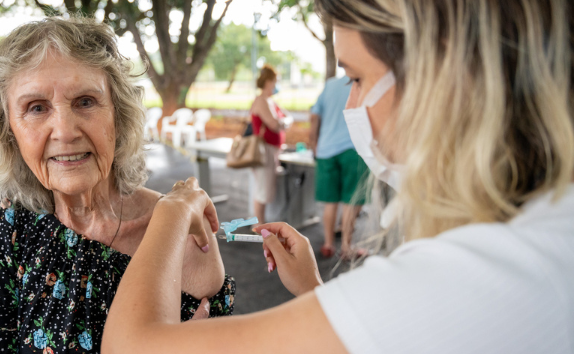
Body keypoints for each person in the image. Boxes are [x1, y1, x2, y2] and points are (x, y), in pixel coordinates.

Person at [102, 0, 574, 353]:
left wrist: (172, 209)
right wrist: (316, 292)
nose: (351, 106)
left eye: (357, 79)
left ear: (440, 78)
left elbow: (130, 345)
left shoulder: (460, 282)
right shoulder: (544, 231)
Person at [0, 17, 235, 354]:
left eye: (85, 101)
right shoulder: (0, 224)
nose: (65, 131)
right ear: (9, 130)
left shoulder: (182, 231)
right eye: (37, 108)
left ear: (118, 114)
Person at [309, 76, 370, 259]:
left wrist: (314, 142)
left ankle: (328, 244)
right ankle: (346, 247)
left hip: (326, 149)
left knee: (330, 202)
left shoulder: (330, 85)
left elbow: (314, 116)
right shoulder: (363, 85)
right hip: (353, 149)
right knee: (351, 201)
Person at [249, 64, 290, 224]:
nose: (277, 84)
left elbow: (285, 118)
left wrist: (283, 122)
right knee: (262, 190)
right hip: (264, 151)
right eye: (275, 81)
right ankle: (259, 225)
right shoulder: (262, 101)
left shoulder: (270, 101)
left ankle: (260, 224)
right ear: (268, 82)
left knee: (265, 189)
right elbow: (274, 124)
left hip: (272, 150)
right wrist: (283, 122)